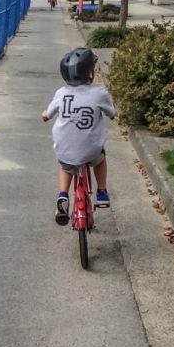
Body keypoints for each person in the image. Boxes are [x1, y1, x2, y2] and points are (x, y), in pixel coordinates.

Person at [42, 48, 115, 224]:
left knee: (66, 167)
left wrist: (45, 114)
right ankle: (102, 192)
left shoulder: (61, 93)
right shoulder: (99, 93)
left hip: (65, 149)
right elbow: (112, 113)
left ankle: (62, 195)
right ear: (90, 73)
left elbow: (48, 114)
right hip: (91, 151)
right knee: (100, 159)